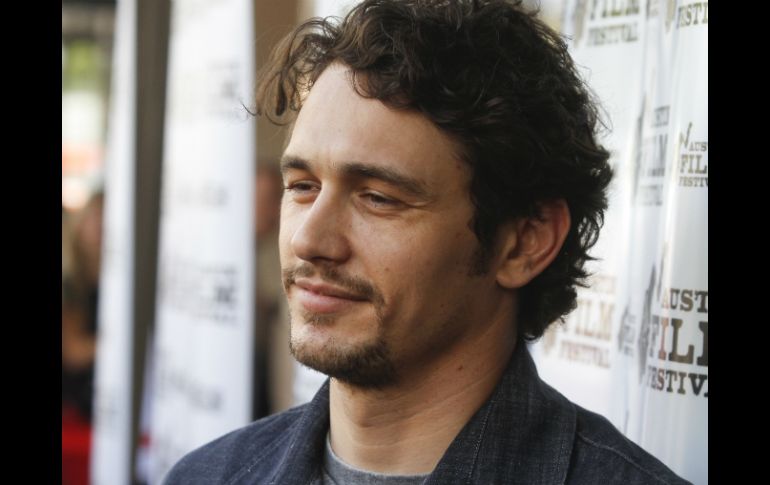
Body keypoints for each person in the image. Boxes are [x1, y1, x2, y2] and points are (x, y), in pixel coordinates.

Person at [164, 1, 690, 483]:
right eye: (302, 186)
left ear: (524, 242)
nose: (309, 240)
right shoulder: (206, 476)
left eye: (378, 198)